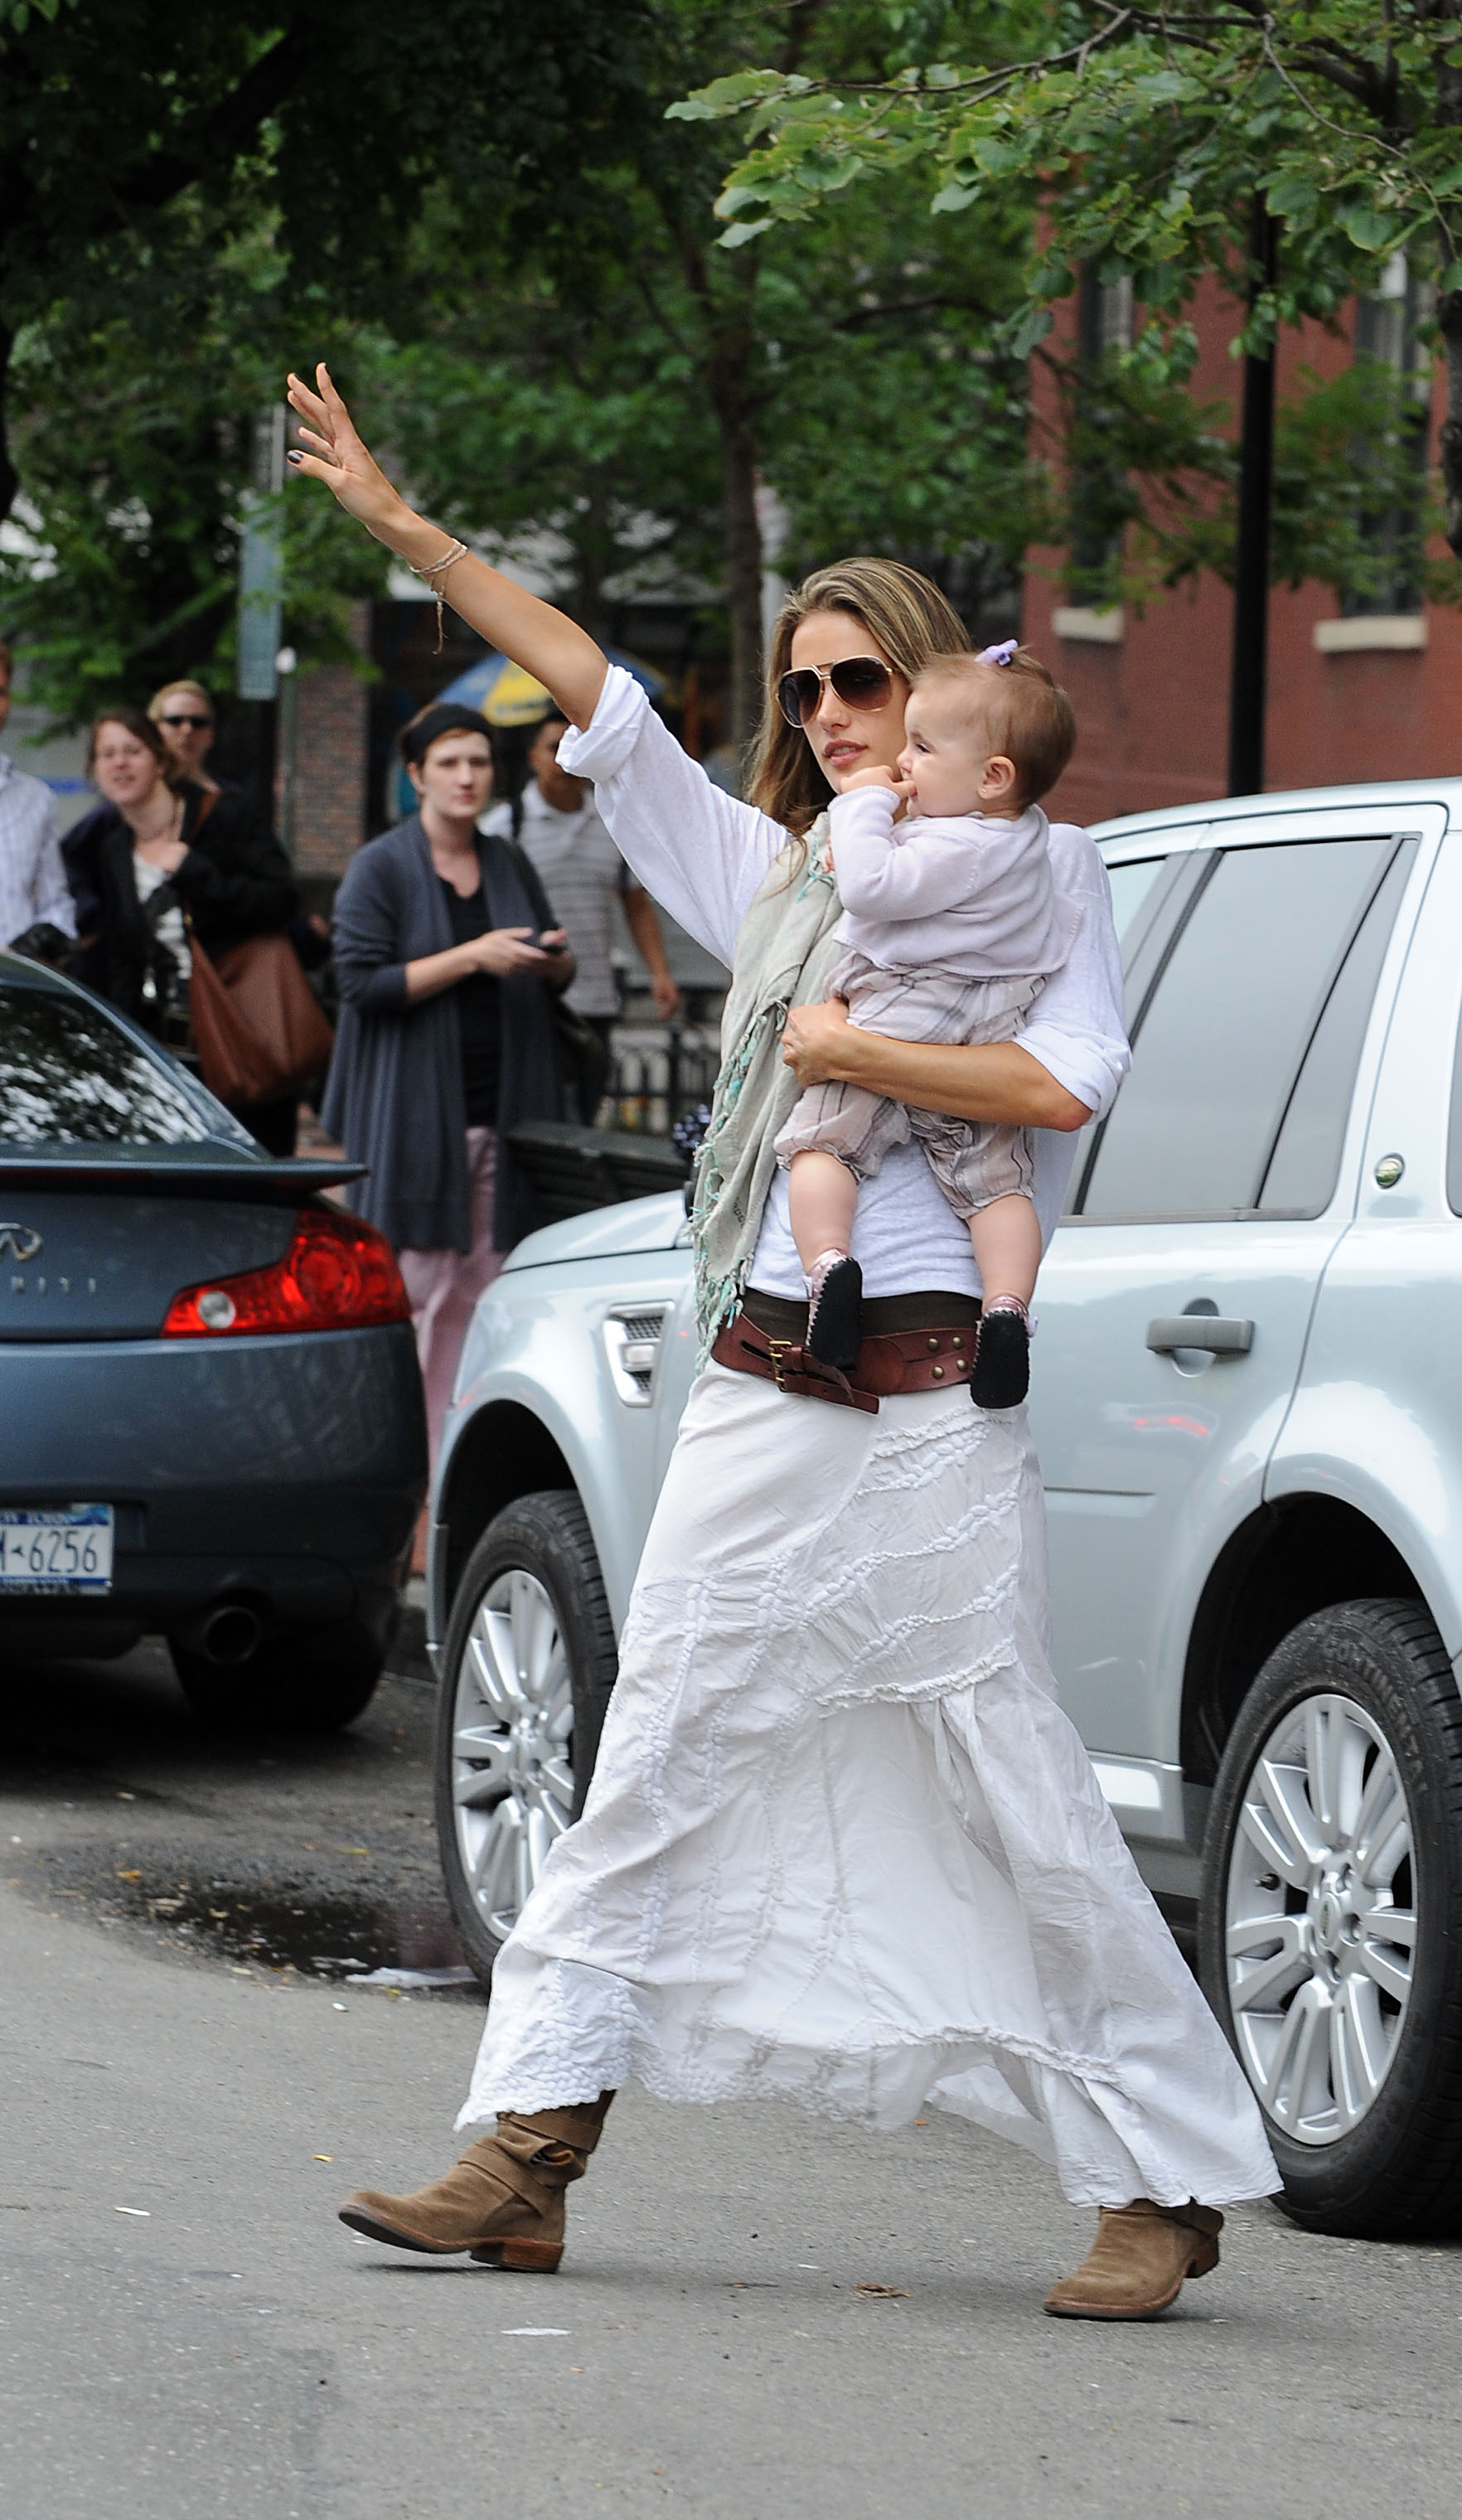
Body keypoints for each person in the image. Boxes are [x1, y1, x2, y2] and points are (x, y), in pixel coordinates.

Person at [288, 362, 1279, 2323]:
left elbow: (1064, 1081)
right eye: (803, 687)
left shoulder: (1044, 868)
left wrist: (849, 1050)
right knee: (655, 1738)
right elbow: (593, 688)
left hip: (937, 1388)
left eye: (861, 682)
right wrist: (408, 534)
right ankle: (528, 2146)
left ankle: (1159, 2179)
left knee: (1003, 1767)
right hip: (766, 1364)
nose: (827, 713)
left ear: (942, 699)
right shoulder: (777, 875)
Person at [775, 642, 1076, 1410]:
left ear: (992, 777)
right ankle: (1005, 1308)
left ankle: (828, 1268)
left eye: (922, 747)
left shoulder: (955, 844)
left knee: (822, 1143)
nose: (903, 761)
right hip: (990, 1019)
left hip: (909, 1008)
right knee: (994, 1182)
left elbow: (872, 887)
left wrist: (864, 804)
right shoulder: (1028, 835)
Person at [323, 702, 574, 1461]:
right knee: (419, 1294)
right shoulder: (381, 866)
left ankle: (461, 1467)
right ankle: (404, 1468)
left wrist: (552, 961)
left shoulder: (508, 860)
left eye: (479, 762)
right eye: (450, 763)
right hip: (416, 1117)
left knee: (487, 1292)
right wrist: (473, 956)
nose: (467, 777)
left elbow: (556, 969)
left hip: (507, 1109)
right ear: (416, 775)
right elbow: (360, 984)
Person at [63, 707, 302, 1150]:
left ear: (159, 759)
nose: (119, 763)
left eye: (132, 750)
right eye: (107, 754)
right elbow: (124, 958)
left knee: (250, 1168)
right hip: (166, 1051)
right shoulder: (114, 848)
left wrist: (199, 873)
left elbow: (282, 901)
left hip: (240, 1035)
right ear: (95, 771)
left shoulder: (224, 817)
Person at [489, 710, 680, 1123]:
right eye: (554, 748)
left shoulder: (613, 822)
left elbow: (635, 902)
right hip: (527, 999)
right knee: (536, 1121)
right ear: (533, 757)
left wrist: (660, 974)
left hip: (595, 1000)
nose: (565, 759)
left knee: (585, 1119)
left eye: (574, 747)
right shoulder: (503, 827)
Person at [0, 637, 76, 962]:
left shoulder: (36, 798)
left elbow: (57, 908)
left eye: (0, 692)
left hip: (15, 983)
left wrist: (28, 947)